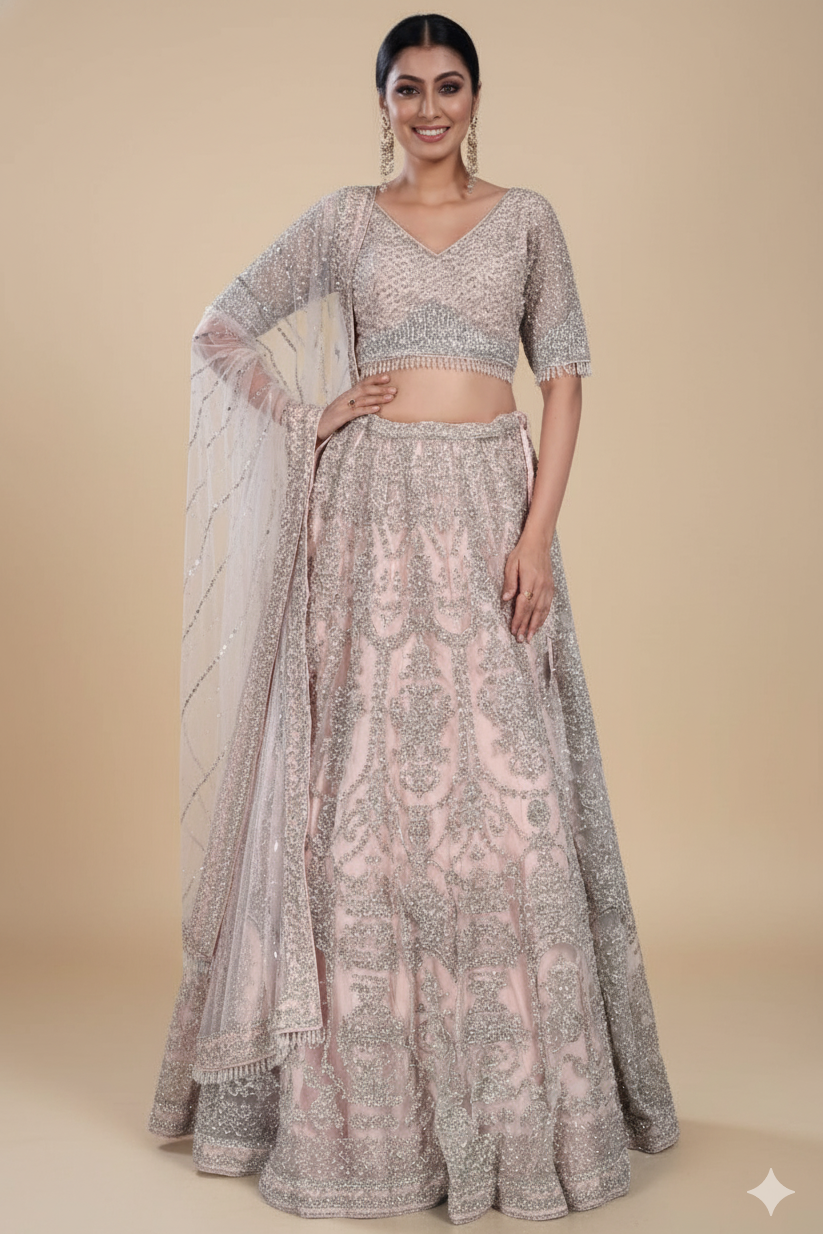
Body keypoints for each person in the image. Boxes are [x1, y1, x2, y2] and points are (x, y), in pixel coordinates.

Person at [148, 13, 680, 1224]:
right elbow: (219, 327)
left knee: (514, 801)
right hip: (369, 520)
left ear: (474, 97)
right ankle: (369, 1118)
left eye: (448, 86)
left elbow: (565, 378)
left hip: (490, 510)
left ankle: (524, 1107)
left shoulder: (527, 219)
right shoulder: (345, 220)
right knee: (364, 806)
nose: (428, 108)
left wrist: (536, 535)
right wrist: (311, 414)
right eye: (407, 89)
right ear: (381, 101)